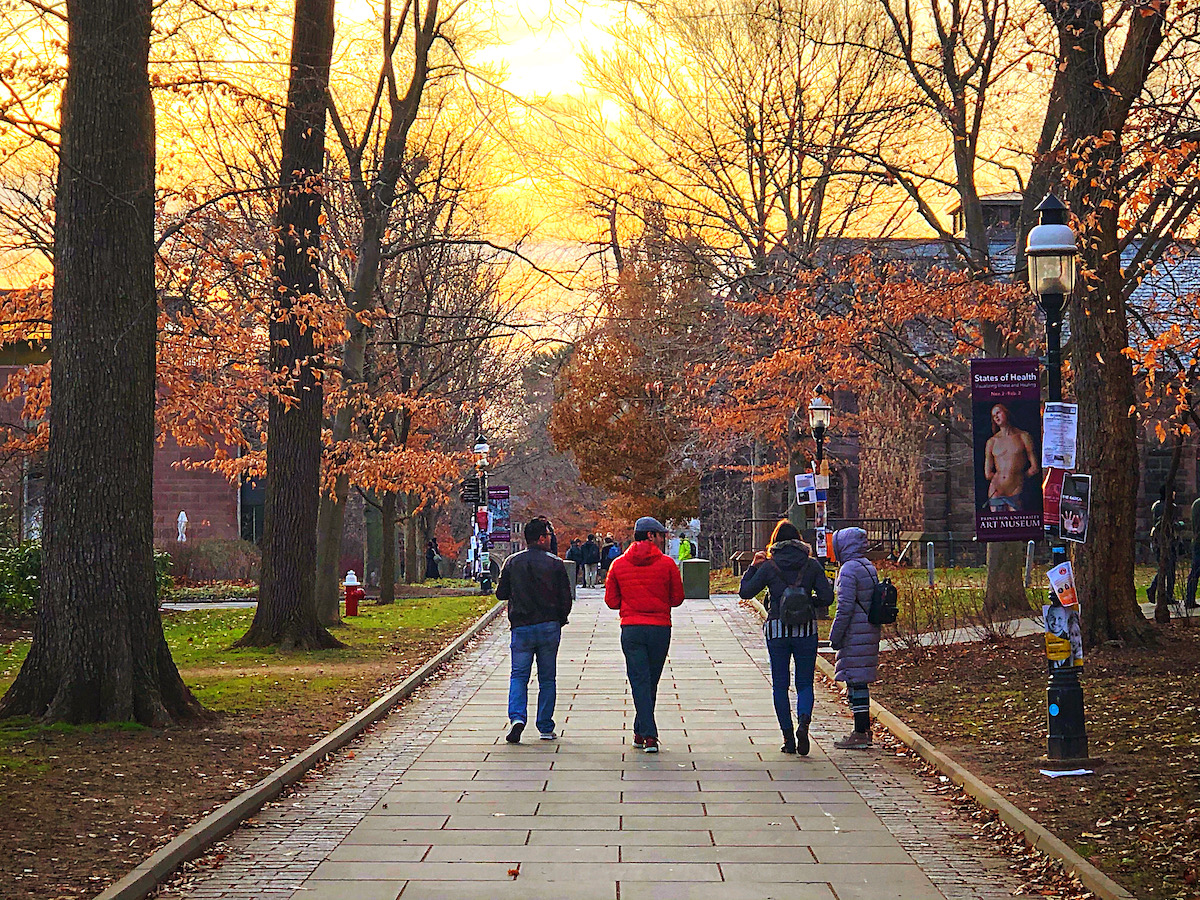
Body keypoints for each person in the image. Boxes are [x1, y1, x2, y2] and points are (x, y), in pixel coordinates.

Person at [738, 520, 832, 755]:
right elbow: (828, 596)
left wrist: (753, 567)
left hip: (777, 629)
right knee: (804, 683)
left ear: (775, 541)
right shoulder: (811, 565)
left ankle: (788, 738)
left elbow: (745, 592)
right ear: (799, 540)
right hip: (806, 630)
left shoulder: (770, 566)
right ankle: (804, 720)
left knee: (780, 685)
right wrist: (809, 602)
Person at [605, 515, 684, 753]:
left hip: (631, 628)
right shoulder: (667, 564)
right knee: (651, 680)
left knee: (640, 680)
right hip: (660, 628)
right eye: (661, 535)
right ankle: (649, 734)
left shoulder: (618, 564)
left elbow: (611, 601)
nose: (662, 540)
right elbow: (677, 598)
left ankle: (641, 731)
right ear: (651, 535)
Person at [496, 518, 573, 743]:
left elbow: (501, 594)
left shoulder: (512, 562)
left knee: (519, 675)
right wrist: (560, 618)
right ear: (541, 538)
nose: (550, 539)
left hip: (521, 626)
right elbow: (565, 599)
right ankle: (545, 726)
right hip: (549, 625)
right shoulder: (555, 563)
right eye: (548, 535)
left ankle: (517, 717)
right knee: (547, 677)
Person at [828, 527, 882, 750]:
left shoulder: (849, 569)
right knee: (859, 680)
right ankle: (863, 731)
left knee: (856, 681)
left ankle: (860, 732)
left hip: (855, 632)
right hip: (868, 628)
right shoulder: (867, 565)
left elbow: (845, 607)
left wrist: (835, 635)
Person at [983, 403, 1039, 512]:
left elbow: (1034, 467)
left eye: (998, 412)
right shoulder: (992, 442)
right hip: (996, 489)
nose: (996, 417)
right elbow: (987, 473)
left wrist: (1019, 477)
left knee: (1016, 523)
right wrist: (998, 480)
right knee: (997, 525)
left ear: (1006, 412)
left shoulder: (1023, 436)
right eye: (994, 415)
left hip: (1016, 488)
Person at [1186, 497, 1200, 610]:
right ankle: (1189, 599)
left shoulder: (1196, 504)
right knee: (1195, 571)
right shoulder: (1198, 504)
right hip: (1199, 542)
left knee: (1195, 572)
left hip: (1197, 541)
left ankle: (1189, 599)